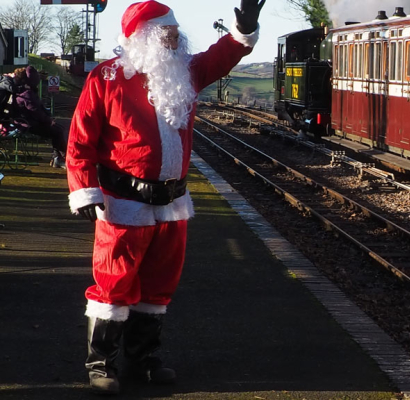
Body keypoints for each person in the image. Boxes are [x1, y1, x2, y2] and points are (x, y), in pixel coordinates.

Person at [66, 0, 264, 395]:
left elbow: (220, 58)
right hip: (122, 202)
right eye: (168, 31)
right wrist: (84, 190)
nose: (176, 36)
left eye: (175, 31)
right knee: (114, 281)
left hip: (172, 202)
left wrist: (244, 30)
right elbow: (80, 142)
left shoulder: (185, 71)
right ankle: (102, 362)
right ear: (144, 36)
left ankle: (143, 360)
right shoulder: (106, 79)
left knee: (159, 284)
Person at [12, 66, 69, 168]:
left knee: (58, 130)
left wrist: (49, 118)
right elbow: (36, 111)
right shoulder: (27, 94)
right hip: (27, 124)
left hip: (28, 122)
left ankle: (58, 158)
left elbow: (39, 109)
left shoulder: (25, 91)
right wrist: (48, 121)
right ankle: (61, 158)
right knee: (57, 132)